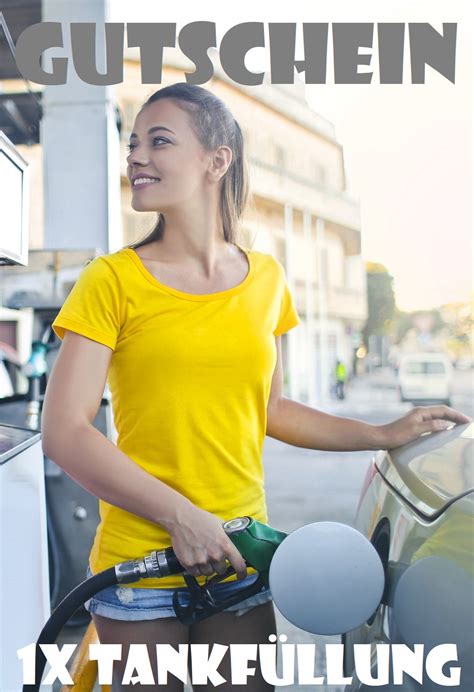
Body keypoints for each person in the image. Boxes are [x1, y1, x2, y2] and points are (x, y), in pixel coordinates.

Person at [42, 83, 470, 691]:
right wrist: (183, 517)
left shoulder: (266, 281)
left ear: (218, 159)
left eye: (158, 141)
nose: (136, 156)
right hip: (138, 572)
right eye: (132, 143)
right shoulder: (110, 281)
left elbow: (270, 409)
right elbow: (64, 432)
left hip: (240, 560)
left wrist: (381, 433)